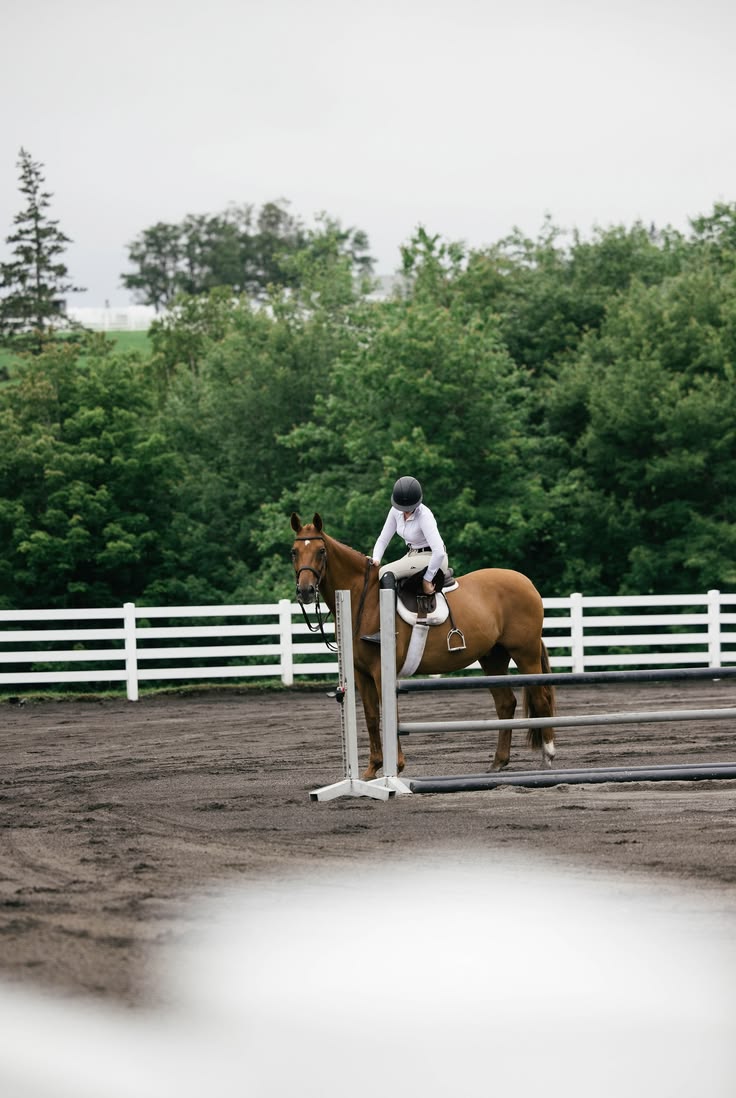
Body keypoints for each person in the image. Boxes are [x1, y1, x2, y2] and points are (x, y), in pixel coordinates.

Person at [362, 477, 449, 643]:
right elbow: (383, 539)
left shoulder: (425, 516)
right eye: (403, 508)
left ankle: (388, 631)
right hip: (413, 555)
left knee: (386, 572)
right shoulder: (395, 511)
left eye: (409, 509)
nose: (405, 512)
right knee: (379, 569)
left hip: (433, 558)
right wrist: (376, 558)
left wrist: (427, 579)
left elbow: (439, 552)